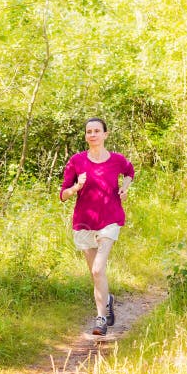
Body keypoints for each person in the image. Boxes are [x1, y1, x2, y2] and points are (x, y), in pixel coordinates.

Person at [60, 117, 134, 336]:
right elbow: (63, 194)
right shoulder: (77, 161)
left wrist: (125, 187)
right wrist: (76, 187)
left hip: (110, 219)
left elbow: (130, 172)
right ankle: (108, 299)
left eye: (96, 131)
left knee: (97, 269)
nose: (92, 135)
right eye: (88, 131)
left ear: (105, 135)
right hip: (84, 222)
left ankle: (100, 318)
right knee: (96, 274)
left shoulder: (117, 160)